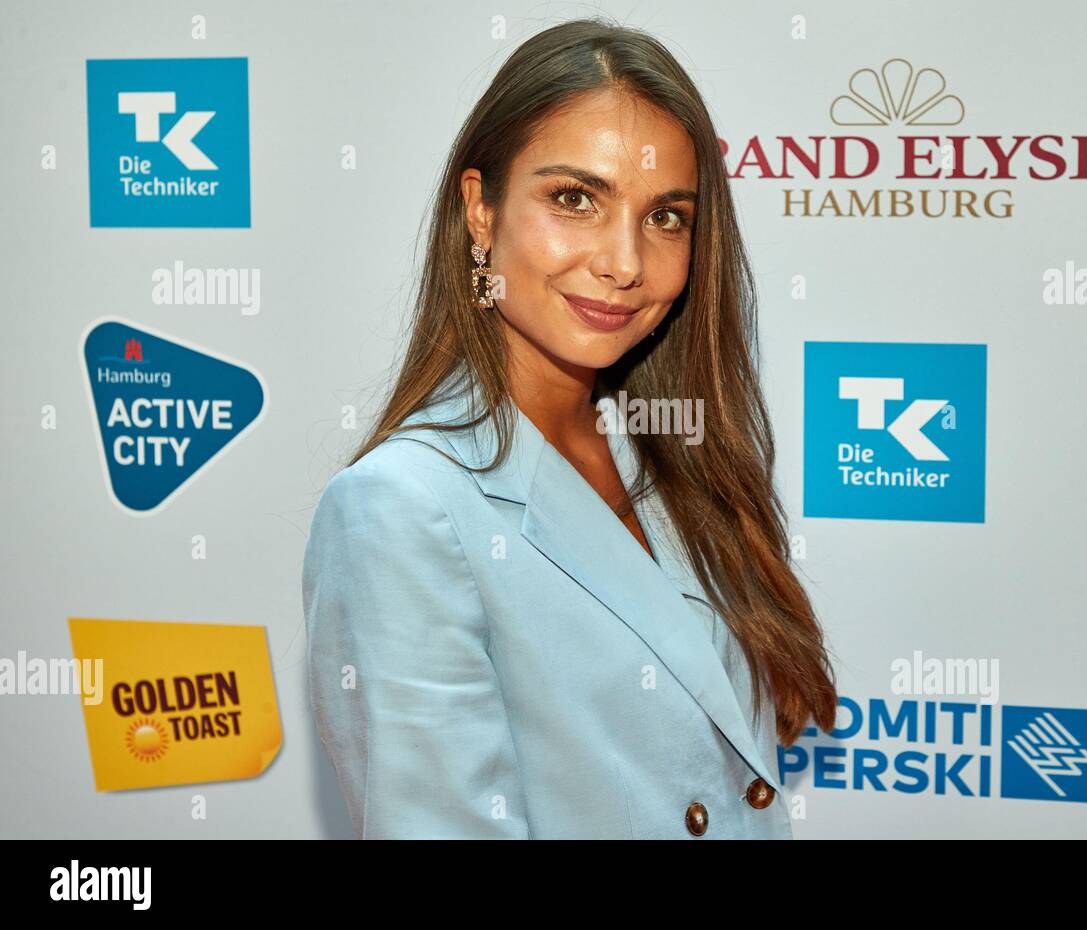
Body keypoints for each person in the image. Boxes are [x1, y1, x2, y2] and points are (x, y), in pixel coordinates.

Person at [303, 17, 838, 839]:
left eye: (666, 217)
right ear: (480, 211)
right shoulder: (401, 509)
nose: (625, 262)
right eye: (575, 199)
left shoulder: (673, 456)